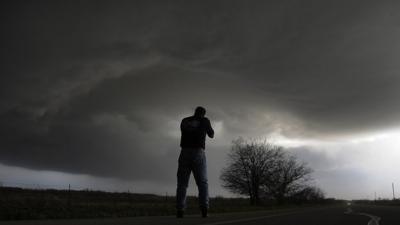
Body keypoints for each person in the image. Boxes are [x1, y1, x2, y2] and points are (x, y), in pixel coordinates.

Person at [176, 106, 214, 218]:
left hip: (184, 151)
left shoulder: (185, 120)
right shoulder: (205, 120)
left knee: (182, 183)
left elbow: (184, 132)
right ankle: (204, 209)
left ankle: (180, 210)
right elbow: (211, 135)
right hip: (198, 152)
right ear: (203, 113)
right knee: (202, 183)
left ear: (195, 112)